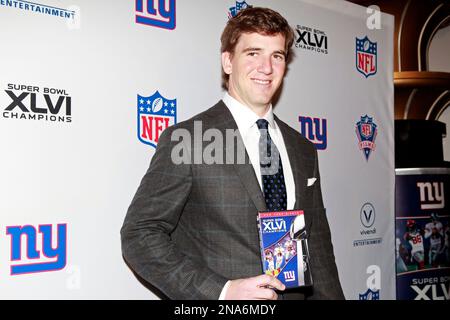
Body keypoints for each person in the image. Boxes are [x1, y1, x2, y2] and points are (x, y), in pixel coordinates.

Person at [121, 7, 344, 300]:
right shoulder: (188, 139)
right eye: (253, 53)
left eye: (277, 56)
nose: (266, 67)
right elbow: (140, 234)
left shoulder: (302, 149)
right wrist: (222, 292)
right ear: (228, 61)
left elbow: (317, 249)